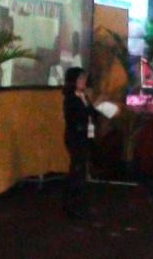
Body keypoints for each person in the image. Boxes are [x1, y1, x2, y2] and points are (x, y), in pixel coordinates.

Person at [62, 67, 98, 219]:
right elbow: (77, 116)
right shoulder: (70, 99)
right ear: (73, 81)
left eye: (84, 79)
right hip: (75, 136)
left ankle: (79, 203)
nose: (84, 81)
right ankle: (72, 204)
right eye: (81, 79)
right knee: (77, 169)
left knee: (82, 169)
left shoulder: (84, 96)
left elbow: (92, 114)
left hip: (85, 135)